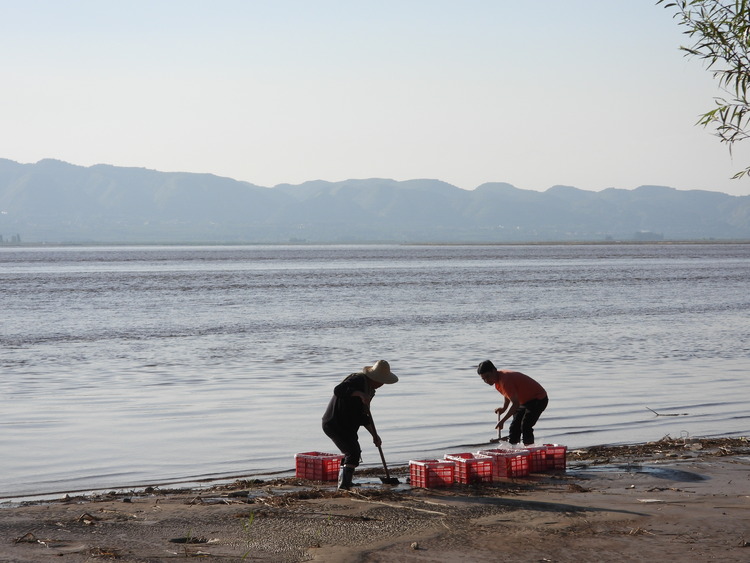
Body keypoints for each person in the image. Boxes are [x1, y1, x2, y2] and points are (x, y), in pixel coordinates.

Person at [322, 360, 398, 490]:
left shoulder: (370, 390)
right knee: (353, 452)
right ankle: (344, 485)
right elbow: (338, 390)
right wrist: (360, 394)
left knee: (351, 452)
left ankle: (345, 482)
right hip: (335, 423)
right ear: (374, 378)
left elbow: (363, 417)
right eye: (381, 381)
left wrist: (375, 435)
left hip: (348, 425)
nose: (382, 384)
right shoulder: (358, 380)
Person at [477, 360, 548, 446]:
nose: (486, 381)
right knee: (514, 427)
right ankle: (513, 449)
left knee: (525, 426)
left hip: (538, 398)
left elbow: (515, 404)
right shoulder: (497, 381)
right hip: (524, 401)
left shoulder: (505, 379)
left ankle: (529, 450)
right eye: (483, 379)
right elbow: (508, 394)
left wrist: (502, 421)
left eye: (487, 377)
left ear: (494, 370)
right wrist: (504, 408)